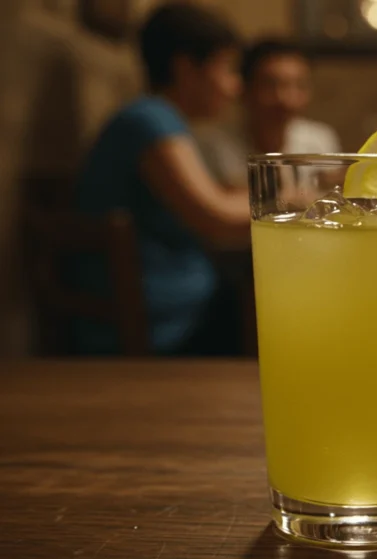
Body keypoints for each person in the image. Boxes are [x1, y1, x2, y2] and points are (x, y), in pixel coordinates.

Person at [71, 2, 249, 355]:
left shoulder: (158, 120)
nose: (234, 86)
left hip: (172, 308)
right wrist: (292, 198)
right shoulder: (151, 119)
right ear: (185, 68)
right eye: (226, 69)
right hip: (163, 325)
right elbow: (217, 218)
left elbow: (209, 198)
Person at [195, 39, 340, 189]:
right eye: (271, 85)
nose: (287, 99)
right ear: (245, 89)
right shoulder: (211, 144)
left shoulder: (320, 138)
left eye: (300, 85)